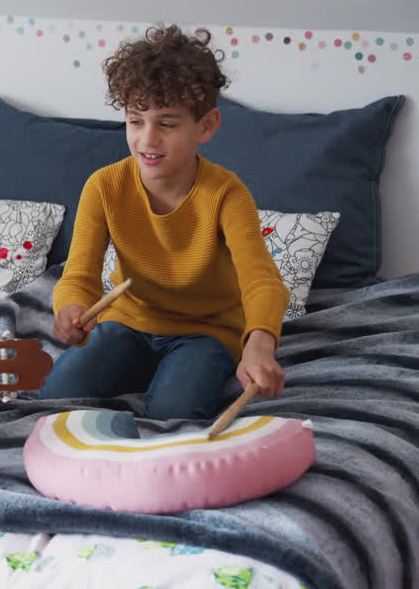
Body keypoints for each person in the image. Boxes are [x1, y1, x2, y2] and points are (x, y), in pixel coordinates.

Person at [38, 24, 289, 420]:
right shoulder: (103, 186)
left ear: (206, 126)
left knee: (173, 414)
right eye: (136, 121)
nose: (147, 140)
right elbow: (79, 275)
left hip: (207, 330)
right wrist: (70, 308)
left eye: (167, 124)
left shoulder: (227, 193)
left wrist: (260, 344)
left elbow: (261, 280)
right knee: (54, 400)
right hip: (129, 322)